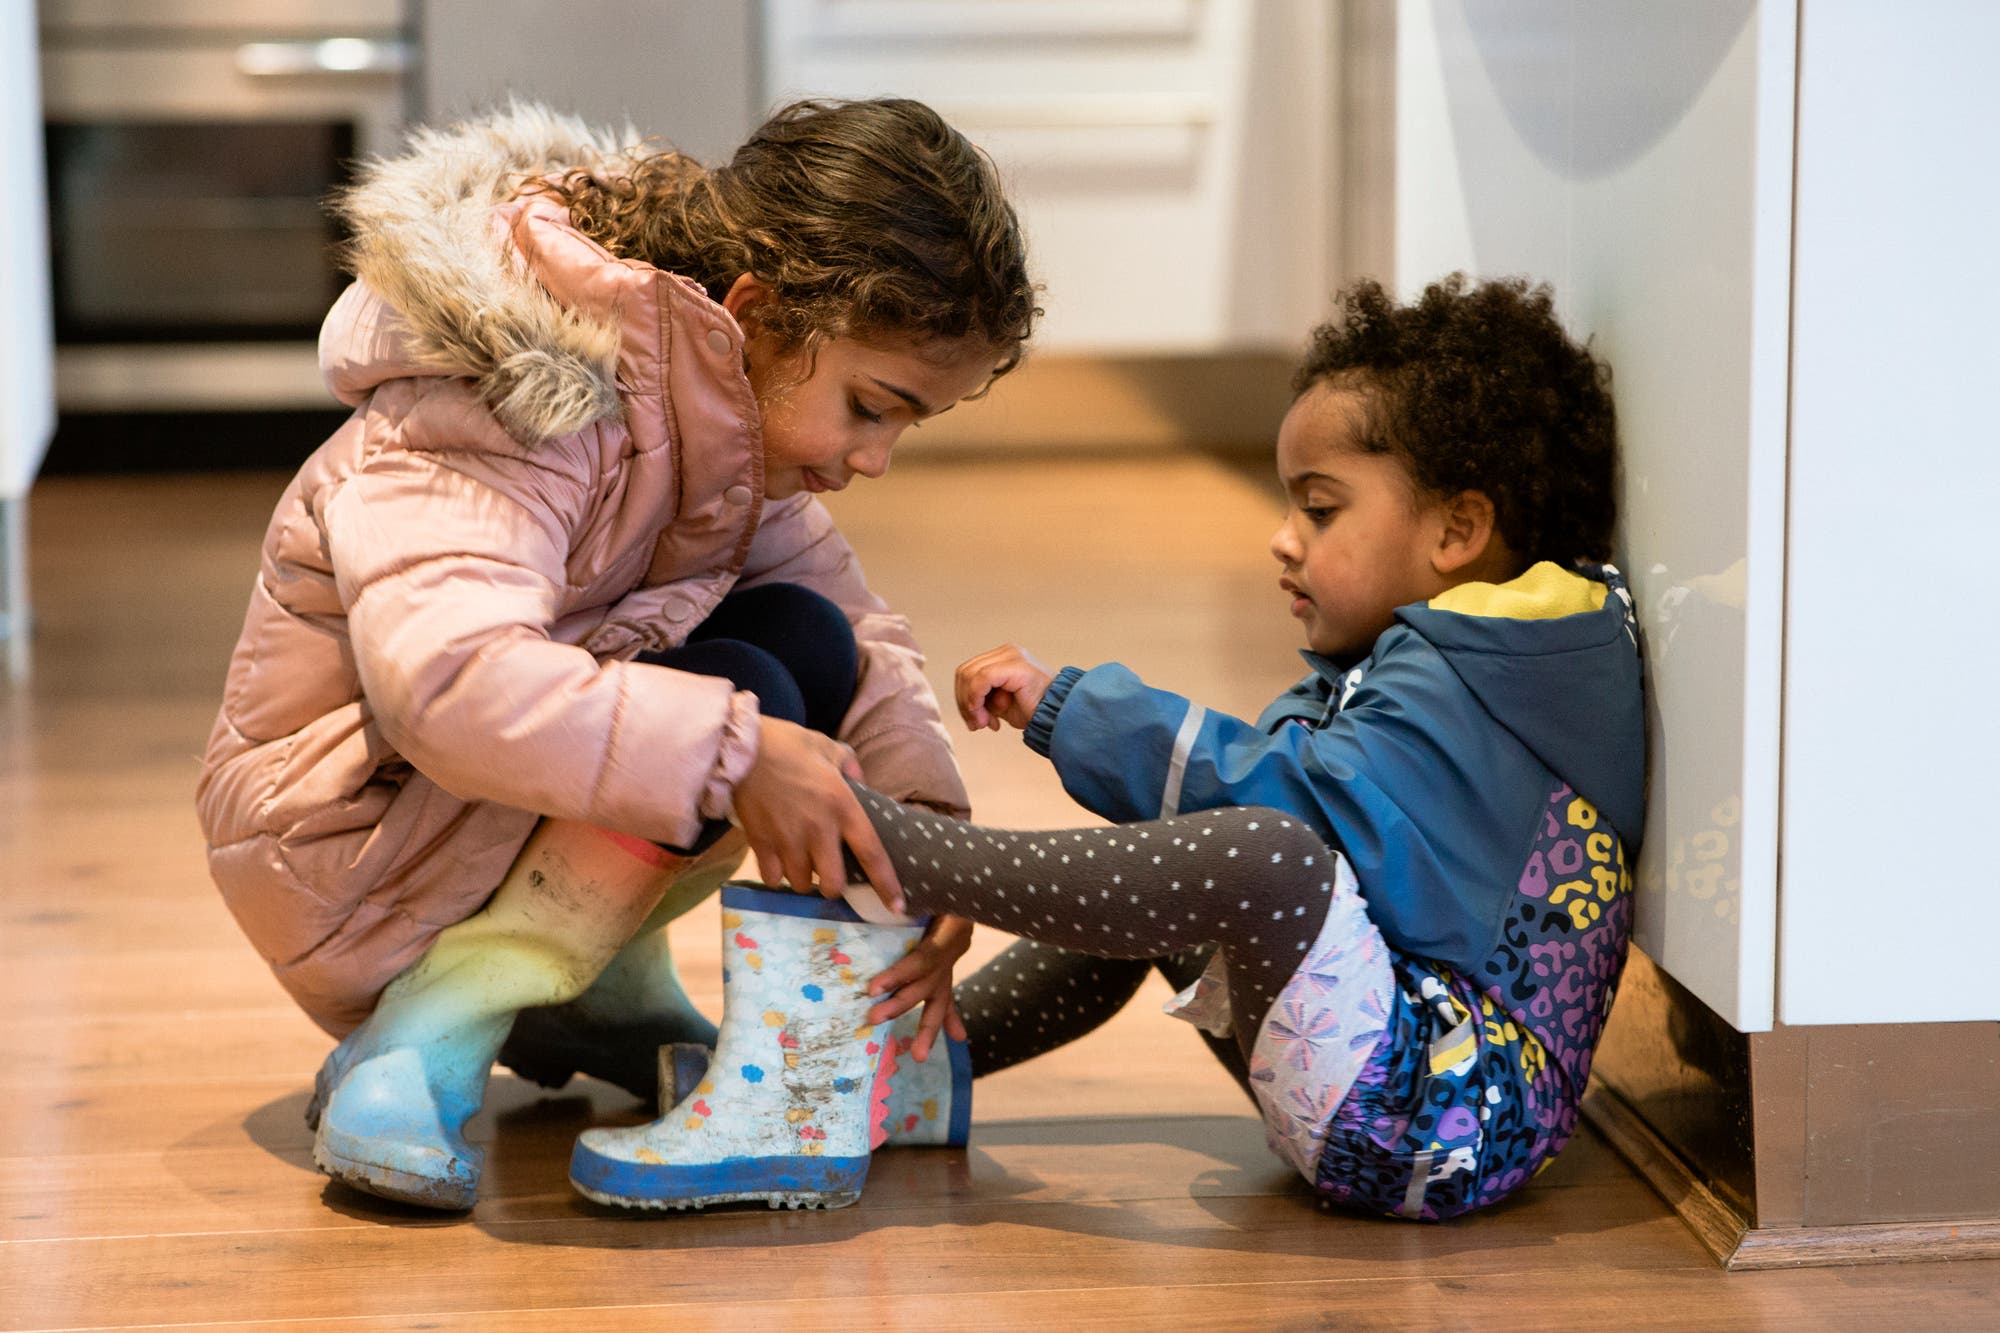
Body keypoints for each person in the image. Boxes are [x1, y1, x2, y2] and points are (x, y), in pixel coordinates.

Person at [578, 274, 1643, 1220]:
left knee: (1254, 856)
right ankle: (908, 1075)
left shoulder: (1474, 683)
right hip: (1407, 1086)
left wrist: (1075, 710)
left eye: (1318, 509)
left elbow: (1304, 819)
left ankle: (880, 843)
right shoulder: (1472, 660)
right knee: (1185, 853)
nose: (1282, 537)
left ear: (1457, 532)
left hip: (1441, 1121)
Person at [194, 97, 1036, 1211]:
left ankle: (595, 985)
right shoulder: (506, 397)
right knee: (741, 709)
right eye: (868, 406)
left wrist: (926, 839)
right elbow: (446, 686)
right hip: (351, 849)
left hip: (464, 824)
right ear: (753, 313)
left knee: (803, 645)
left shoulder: (719, 424)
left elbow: (860, 632)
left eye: (905, 426)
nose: (875, 459)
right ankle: (422, 1035)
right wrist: (738, 756)